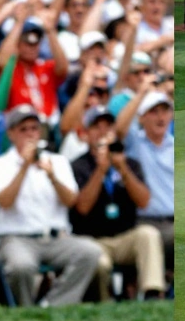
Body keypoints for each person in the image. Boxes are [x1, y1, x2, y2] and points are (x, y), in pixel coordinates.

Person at [0, 104, 101, 307]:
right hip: (17, 238)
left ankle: (53, 306)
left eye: (34, 128)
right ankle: (26, 311)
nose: (30, 134)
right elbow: (4, 202)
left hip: (56, 237)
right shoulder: (0, 164)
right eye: (23, 130)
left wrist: (52, 176)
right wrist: (24, 166)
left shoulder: (58, 162)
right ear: (11, 134)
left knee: (90, 251)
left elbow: (70, 201)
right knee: (21, 266)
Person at [70, 106, 165, 300]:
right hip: (92, 239)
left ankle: (152, 295)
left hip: (124, 237)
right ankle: (106, 304)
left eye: (108, 126)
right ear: (86, 134)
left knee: (148, 234)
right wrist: (100, 171)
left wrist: (122, 170)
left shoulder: (129, 163)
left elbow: (144, 201)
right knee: (100, 262)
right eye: (96, 127)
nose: (103, 132)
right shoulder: (77, 165)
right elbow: (82, 207)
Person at [114, 84, 174, 268]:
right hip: (146, 222)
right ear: (142, 118)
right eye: (153, 112)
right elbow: (119, 130)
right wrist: (140, 94)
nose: (161, 117)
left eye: (165, 111)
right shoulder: (135, 142)